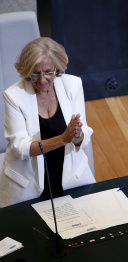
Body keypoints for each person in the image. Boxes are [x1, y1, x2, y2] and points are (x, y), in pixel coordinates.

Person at [0, 37, 96, 207]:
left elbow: (84, 136)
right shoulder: (14, 95)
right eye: (35, 73)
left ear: (57, 68)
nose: (42, 80)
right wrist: (63, 139)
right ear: (27, 71)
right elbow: (20, 148)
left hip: (71, 178)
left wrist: (77, 134)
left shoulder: (73, 85)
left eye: (48, 72)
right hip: (27, 187)